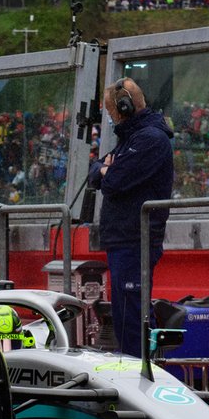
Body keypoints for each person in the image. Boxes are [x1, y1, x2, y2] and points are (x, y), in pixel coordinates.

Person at [87, 77, 175, 357]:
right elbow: (95, 172)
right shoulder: (132, 139)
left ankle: (142, 375)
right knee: (127, 315)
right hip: (123, 239)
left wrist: (105, 171)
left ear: (124, 108)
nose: (112, 120)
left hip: (135, 239)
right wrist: (103, 170)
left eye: (112, 113)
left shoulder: (150, 139)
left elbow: (112, 181)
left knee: (133, 316)